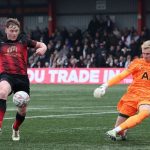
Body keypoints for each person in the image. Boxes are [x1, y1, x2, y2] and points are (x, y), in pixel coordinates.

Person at [0, 18, 47, 141]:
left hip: (22, 78)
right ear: (6, 30)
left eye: (16, 30)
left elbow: (42, 45)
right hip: (6, 75)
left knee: (22, 111)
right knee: (2, 92)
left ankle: (15, 128)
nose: (14, 33)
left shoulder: (24, 40)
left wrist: (43, 49)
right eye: (11, 30)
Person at [93, 40, 150, 141]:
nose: (145, 56)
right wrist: (105, 85)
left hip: (147, 96)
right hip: (132, 95)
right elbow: (121, 76)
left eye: (148, 54)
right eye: (144, 53)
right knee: (121, 132)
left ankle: (116, 130)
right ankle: (120, 131)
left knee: (145, 112)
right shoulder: (137, 63)